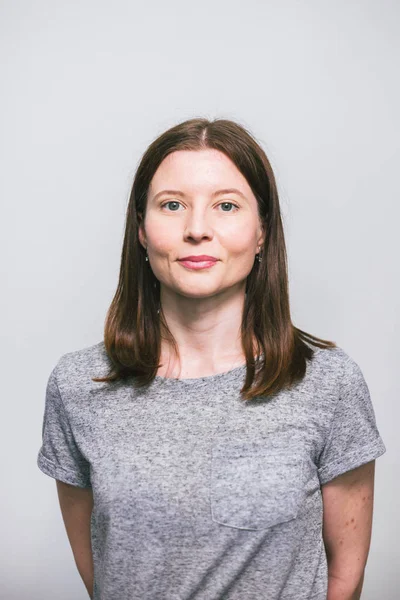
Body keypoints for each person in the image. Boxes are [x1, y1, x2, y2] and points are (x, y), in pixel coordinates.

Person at [37, 117, 386, 600]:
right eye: (172, 205)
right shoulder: (78, 386)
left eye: (226, 206)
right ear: (141, 230)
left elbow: (345, 577)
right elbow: (103, 574)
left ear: (262, 231)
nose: (196, 229)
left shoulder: (327, 382)